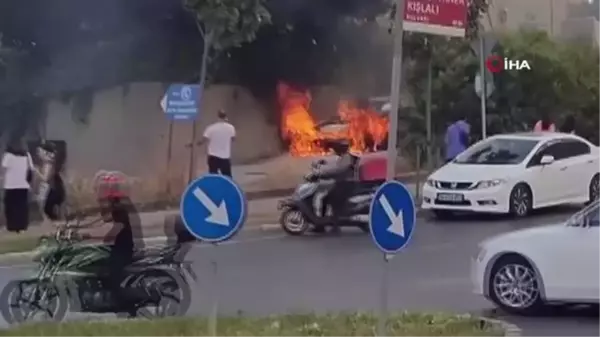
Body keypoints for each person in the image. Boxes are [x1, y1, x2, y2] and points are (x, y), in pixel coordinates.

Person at [84, 171, 144, 314]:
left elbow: (116, 230)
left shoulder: (120, 208)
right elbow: (104, 220)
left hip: (124, 249)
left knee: (112, 274)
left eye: (103, 189)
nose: (100, 193)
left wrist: (96, 238)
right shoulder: (119, 205)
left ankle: (123, 305)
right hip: (122, 246)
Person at [307, 139, 358, 233]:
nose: (334, 150)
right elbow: (335, 167)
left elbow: (338, 170)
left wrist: (321, 173)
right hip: (342, 184)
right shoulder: (343, 157)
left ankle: (335, 226)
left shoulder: (347, 158)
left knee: (333, 200)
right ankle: (320, 225)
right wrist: (323, 165)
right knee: (324, 199)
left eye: (336, 148)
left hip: (346, 185)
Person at [1, 140, 38, 233]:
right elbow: (32, 170)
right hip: (23, 185)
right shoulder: (27, 155)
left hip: (10, 185)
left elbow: (3, 170)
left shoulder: (8, 156)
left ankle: (12, 226)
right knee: (22, 207)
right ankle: (22, 226)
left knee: (10, 207)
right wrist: (32, 184)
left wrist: (2, 181)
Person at [35, 141, 66, 223]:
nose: (38, 154)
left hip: (53, 190)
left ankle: (53, 223)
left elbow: (45, 178)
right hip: (55, 189)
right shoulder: (50, 162)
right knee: (48, 210)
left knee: (47, 210)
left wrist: (37, 171)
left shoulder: (48, 164)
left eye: (39, 151)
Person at [201, 110, 235, 177]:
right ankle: (226, 187)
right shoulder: (231, 128)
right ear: (226, 117)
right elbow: (233, 139)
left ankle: (214, 187)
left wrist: (194, 143)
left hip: (213, 156)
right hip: (225, 156)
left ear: (218, 117)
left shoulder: (211, 128)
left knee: (213, 177)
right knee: (227, 178)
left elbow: (203, 140)